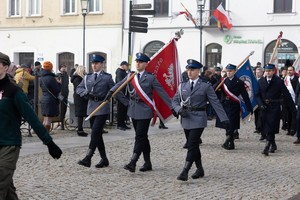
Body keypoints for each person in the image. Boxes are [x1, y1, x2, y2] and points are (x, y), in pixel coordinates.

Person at [0, 52, 62, 199]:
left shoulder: (14, 91)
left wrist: (49, 142)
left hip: (8, 145)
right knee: (7, 190)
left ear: (5, 67)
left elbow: (32, 118)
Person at [105, 52, 173, 173]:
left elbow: (162, 93)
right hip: (133, 109)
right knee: (143, 137)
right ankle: (147, 163)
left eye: (141, 62)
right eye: (137, 61)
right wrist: (111, 91)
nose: (138, 63)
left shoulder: (151, 78)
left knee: (139, 136)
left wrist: (173, 107)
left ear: (146, 64)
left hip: (145, 109)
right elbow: (120, 84)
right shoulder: (131, 76)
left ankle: (133, 161)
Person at [172, 59, 229, 181]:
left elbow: (215, 102)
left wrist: (224, 118)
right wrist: (178, 110)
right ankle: (200, 169)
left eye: (192, 70)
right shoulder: (183, 85)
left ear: (198, 71)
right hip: (186, 117)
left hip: (199, 117)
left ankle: (185, 171)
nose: (189, 72)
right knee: (194, 146)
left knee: (192, 144)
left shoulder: (205, 86)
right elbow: (175, 101)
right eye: (188, 69)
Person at [76, 55, 123, 168]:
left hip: (102, 107)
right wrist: (85, 93)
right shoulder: (88, 77)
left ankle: (88, 157)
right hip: (91, 107)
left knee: (95, 132)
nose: (94, 65)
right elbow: (79, 88)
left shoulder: (107, 77)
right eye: (93, 63)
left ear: (102, 64)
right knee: (97, 135)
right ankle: (104, 159)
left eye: (97, 63)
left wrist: (125, 102)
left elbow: (115, 90)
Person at [256, 64, 296, 156]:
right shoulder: (261, 81)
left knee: (271, 126)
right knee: (266, 127)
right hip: (264, 107)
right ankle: (273, 144)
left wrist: (293, 108)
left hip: (274, 106)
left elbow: (286, 94)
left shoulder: (278, 81)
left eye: (270, 71)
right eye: (266, 71)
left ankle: (267, 146)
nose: (268, 72)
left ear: (273, 71)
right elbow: (257, 95)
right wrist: (261, 105)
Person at [215, 64, 253, 150]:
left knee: (232, 124)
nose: (228, 73)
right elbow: (214, 89)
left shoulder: (239, 82)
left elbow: (245, 95)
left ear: (235, 71)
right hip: (225, 105)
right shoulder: (223, 81)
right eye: (227, 71)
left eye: (230, 71)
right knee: (226, 124)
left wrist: (250, 108)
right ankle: (231, 143)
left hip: (234, 106)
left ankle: (227, 140)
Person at [40, 61, 62, 132]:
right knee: (48, 119)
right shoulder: (51, 78)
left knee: (45, 118)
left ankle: (43, 133)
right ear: (50, 68)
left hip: (44, 98)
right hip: (51, 100)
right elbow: (57, 89)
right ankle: (46, 135)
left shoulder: (41, 78)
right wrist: (59, 83)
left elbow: (41, 87)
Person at [71, 65, 88, 136]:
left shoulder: (78, 78)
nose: (85, 72)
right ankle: (80, 130)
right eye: (84, 71)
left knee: (81, 114)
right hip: (79, 98)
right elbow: (79, 89)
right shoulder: (77, 79)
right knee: (80, 114)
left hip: (80, 97)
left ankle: (80, 129)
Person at [115, 61, 131, 131]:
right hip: (121, 94)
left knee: (124, 110)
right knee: (120, 110)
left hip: (125, 93)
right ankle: (120, 124)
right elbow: (120, 83)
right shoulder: (119, 72)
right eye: (127, 66)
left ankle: (123, 123)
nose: (128, 67)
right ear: (123, 66)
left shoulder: (123, 72)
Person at [283, 66, 298, 136]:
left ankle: (293, 129)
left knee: (294, 115)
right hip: (286, 100)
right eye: (288, 70)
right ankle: (288, 129)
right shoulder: (286, 78)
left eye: (291, 70)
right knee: (287, 115)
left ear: (294, 71)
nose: (289, 71)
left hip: (294, 99)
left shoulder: (297, 79)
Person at [56, 64, 69, 130]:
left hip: (65, 94)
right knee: (60, 108)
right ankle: (60, 123)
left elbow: (67, 85)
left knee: (65, 108)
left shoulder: (66, 75)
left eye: (64, 67)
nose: (64, 68)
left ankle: (62, 122)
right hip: (60, 94)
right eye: (62, 67)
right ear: (60, 68)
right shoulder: (58, 75)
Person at [254, 67, 264, 137]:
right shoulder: (254, 80)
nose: (257, 74)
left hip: (262, 100)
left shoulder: (263, 80)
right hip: (255, 101)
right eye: (256, 72)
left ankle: (260, 128)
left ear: (262, 73)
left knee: (261, 116)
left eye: (259, 72)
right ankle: (257, 127)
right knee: (256, 115)